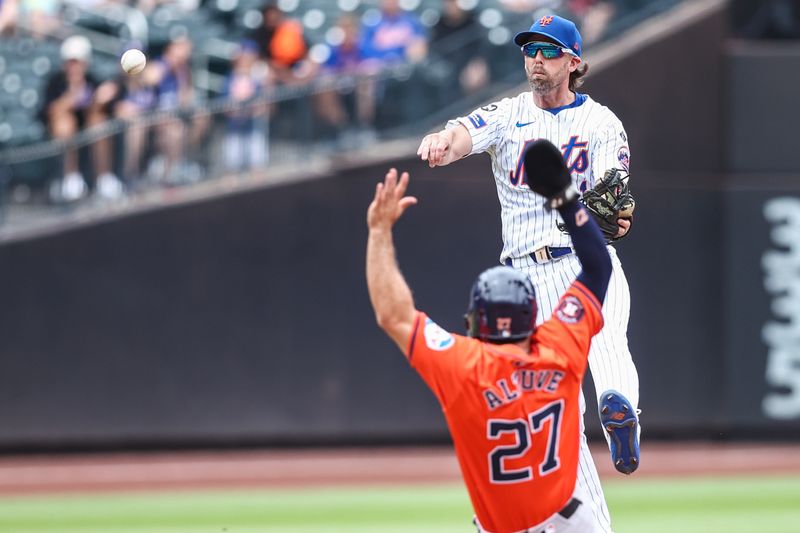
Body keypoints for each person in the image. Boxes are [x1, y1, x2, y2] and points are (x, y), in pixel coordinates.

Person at [417, 13, 641, 530]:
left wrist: (615, 213)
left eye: (548, 50)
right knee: (557, 411)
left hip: (581, 262)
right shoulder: (507, 113)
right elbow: (461, 133)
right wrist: (441, 141)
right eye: (529, 50)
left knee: (608, 348)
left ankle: (619, 409)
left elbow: (618, 204)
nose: (536, 59)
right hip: (523, 283)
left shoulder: (602, 123)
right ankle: (595, 477)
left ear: (574, 60)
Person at [365, 152, 613, 532]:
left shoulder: (463, 365)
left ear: (477, 321)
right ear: (531, 316)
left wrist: (379, 233)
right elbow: (598, 266)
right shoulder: (560, 345)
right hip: (571, 523)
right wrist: (566, 199)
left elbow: (393, 315)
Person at [40, 35, 124, 201]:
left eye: (78, 62)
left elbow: (99, 110)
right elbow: (49, 112)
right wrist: (71, 97)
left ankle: (104, 177)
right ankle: (70, 178)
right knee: (65, 124)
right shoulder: (55, 82)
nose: (74, 66)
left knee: (99, 124)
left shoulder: (92, 80)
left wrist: (99, 99)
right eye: (71, 62)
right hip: (64, 131)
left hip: (87, 129)